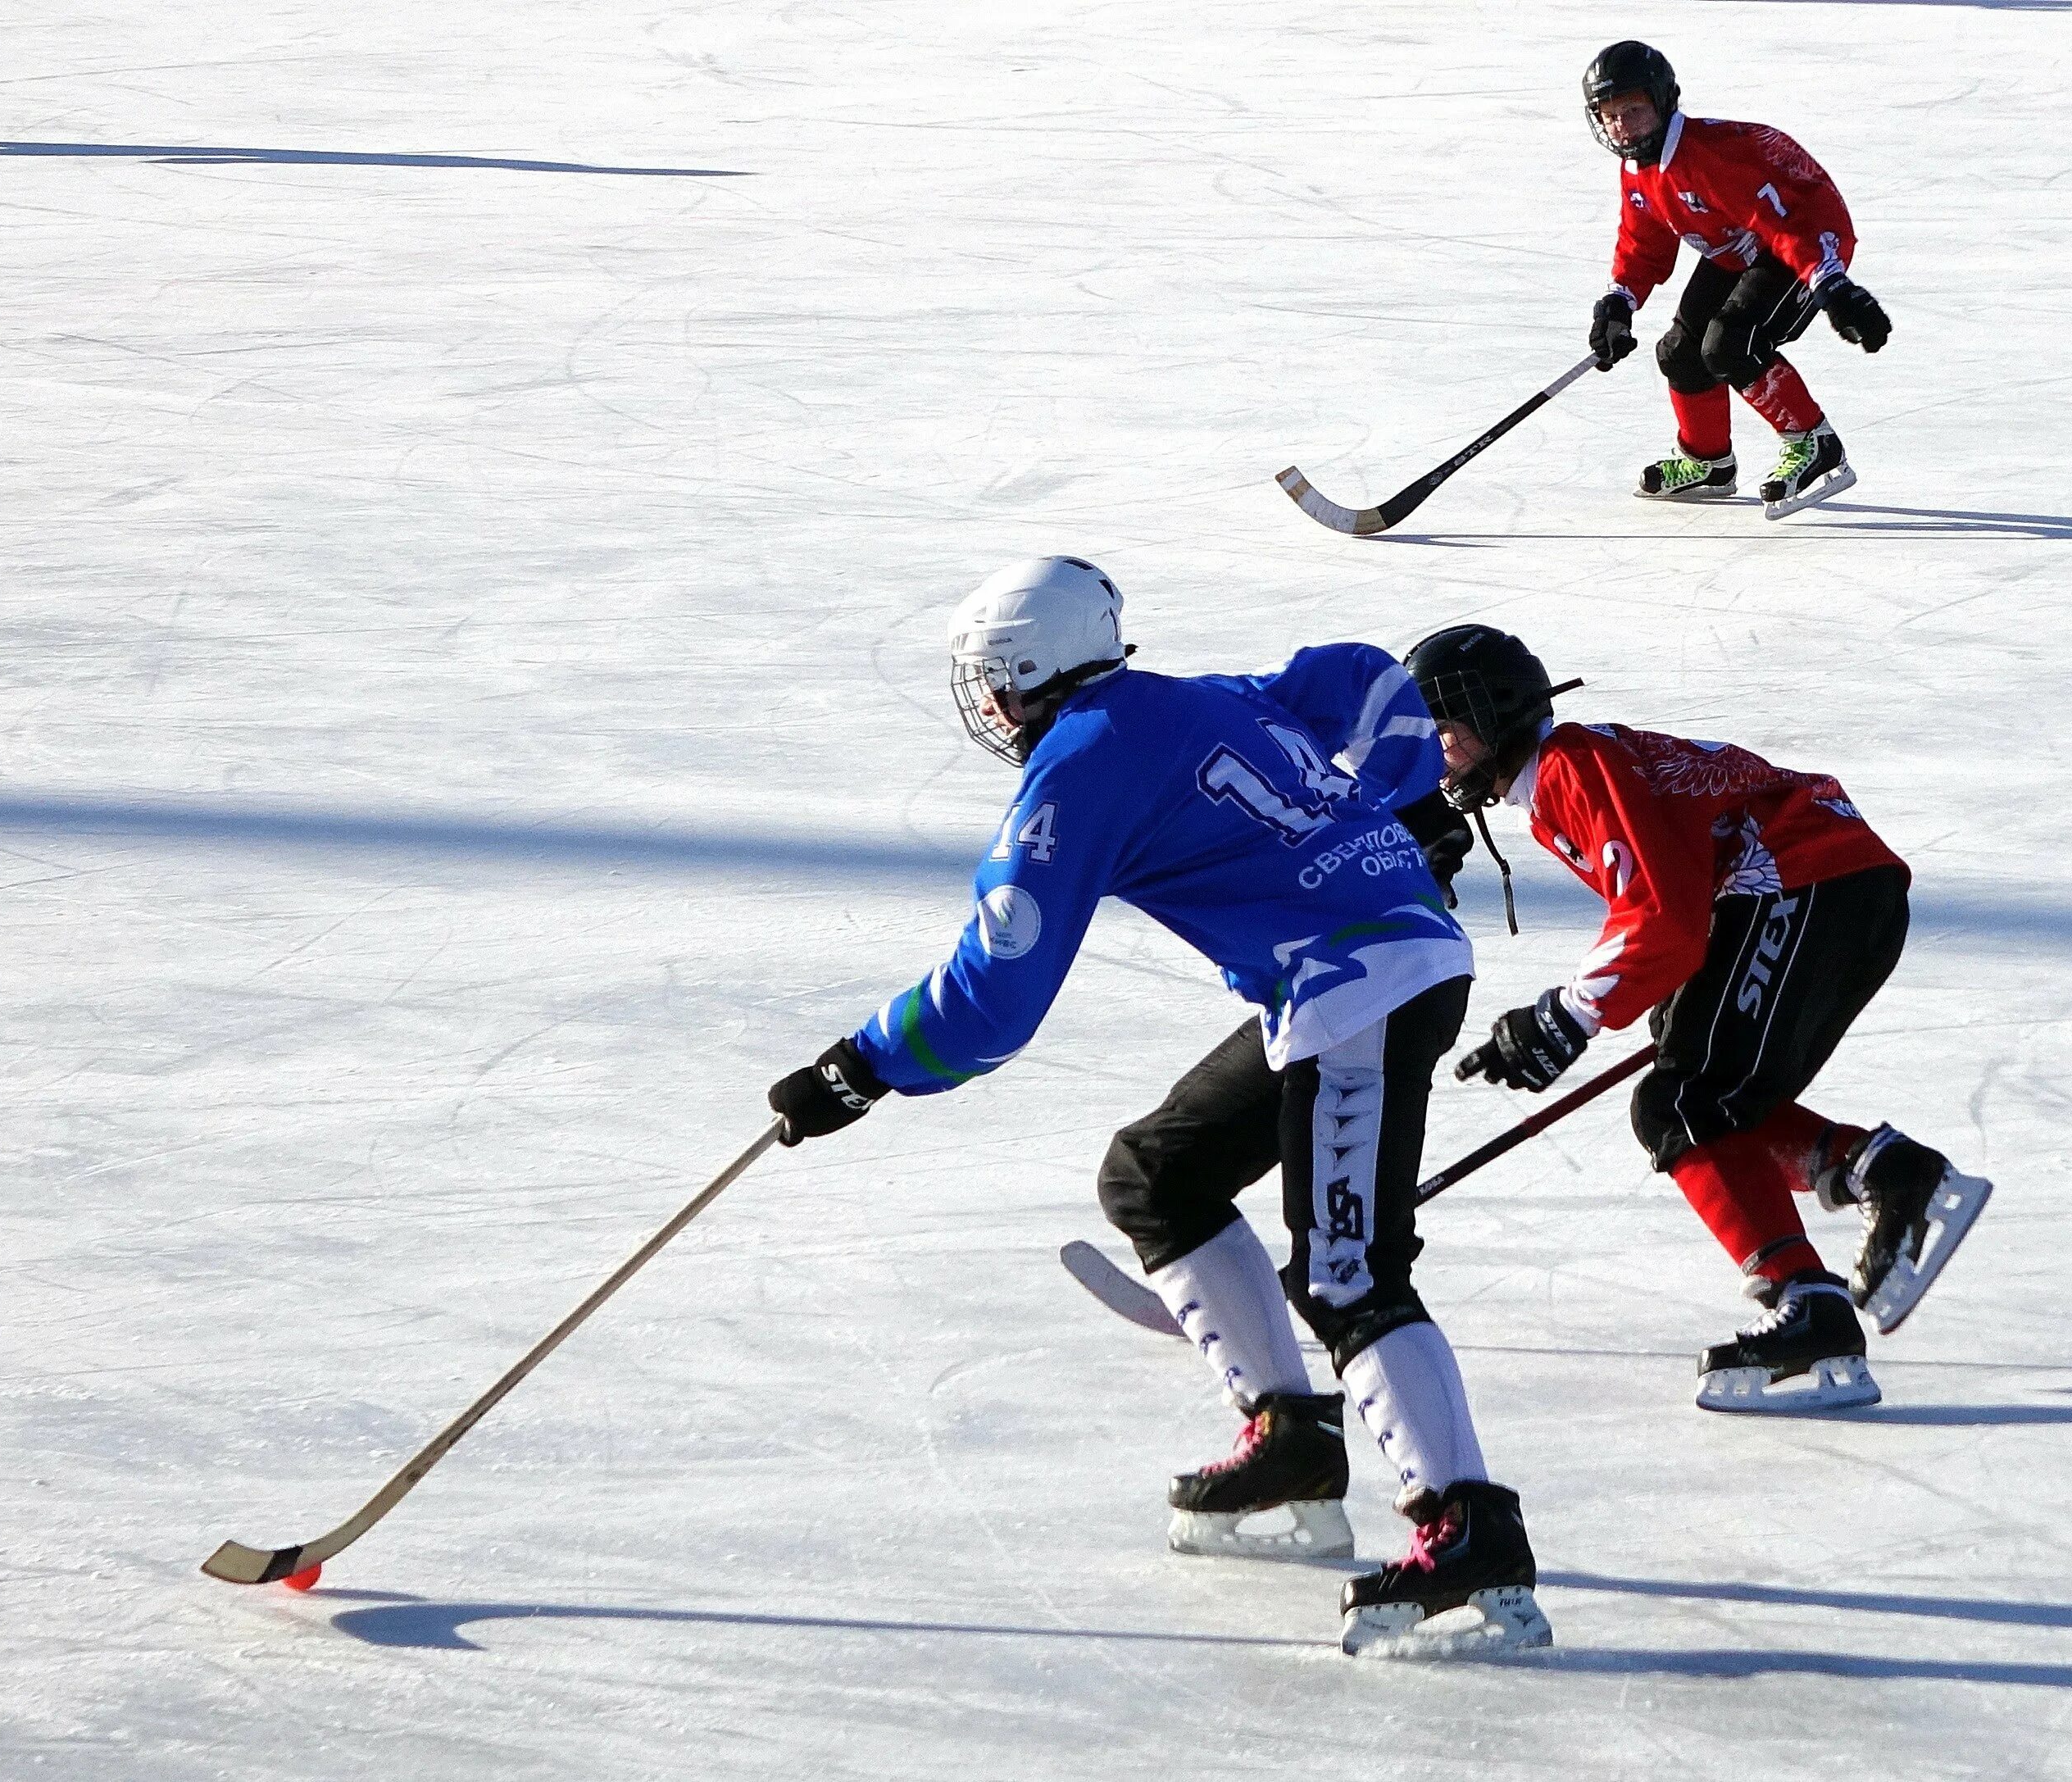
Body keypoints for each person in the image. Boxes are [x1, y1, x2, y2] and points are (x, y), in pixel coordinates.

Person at [766, 557, 1550, 1658]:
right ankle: (1291, 1438)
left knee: (1349, 1270)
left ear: (1017, 681)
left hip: (1356, 986)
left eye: (989, 681)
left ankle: (1467, 1530)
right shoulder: (1197, 695)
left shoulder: (1075, 770)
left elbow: (996, 992)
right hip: (1347, 976)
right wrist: (1410, 801)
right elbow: (1361, 680)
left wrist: (861, 1064)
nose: (985, 703)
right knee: (1158, 1173)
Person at [1401, 623, 1992, 1412]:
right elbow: (1671, 910)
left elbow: (1664, 921)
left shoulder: (1573, 768)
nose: (1435, 748)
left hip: (1805, 879)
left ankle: (1810, 1303)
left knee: (1682, 1099)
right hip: (1818, 882)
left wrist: (1567, 1017)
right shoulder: (1564, 777)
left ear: (1494, 709)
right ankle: (1881, 1171)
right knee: (1698, 1085)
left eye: (1444, 724)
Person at [1579, 39, 1893, 519]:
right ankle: (1708, 462)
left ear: (1665, 102)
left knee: (1730, 344)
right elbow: (1643, 242)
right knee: (1681, 352)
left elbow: (1787, 223)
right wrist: (1619, 303)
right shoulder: (1638, 168)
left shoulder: (1713, 156)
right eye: (1610, 114)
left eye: (1635, 110)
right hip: (1739, 248)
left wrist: (1833, 287)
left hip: (1801, 237)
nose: (1622, 125)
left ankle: (1816, 443)